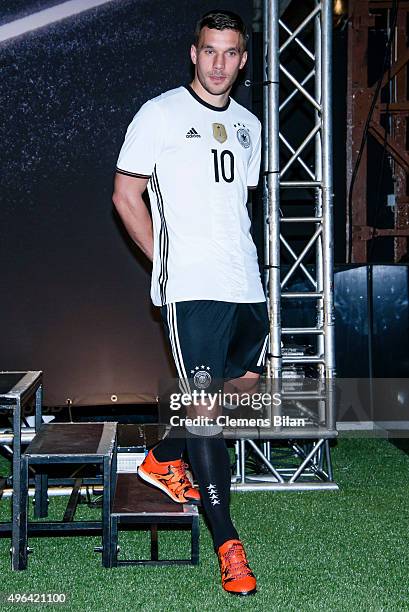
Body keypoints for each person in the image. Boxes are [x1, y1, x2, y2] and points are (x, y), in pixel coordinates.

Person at [112, 10, 269, 596]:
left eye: (231, 53)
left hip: (245, 285)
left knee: (240, 392)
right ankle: (229, 542)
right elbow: (126, 197)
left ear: (243, 59)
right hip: (192, 289)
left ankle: (162, 458)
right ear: (193, 52)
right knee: (206, 410)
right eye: (210, 51)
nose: (219, 63)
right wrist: (167, 262)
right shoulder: (159, 114)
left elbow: (236, 209)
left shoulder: (251, 126)